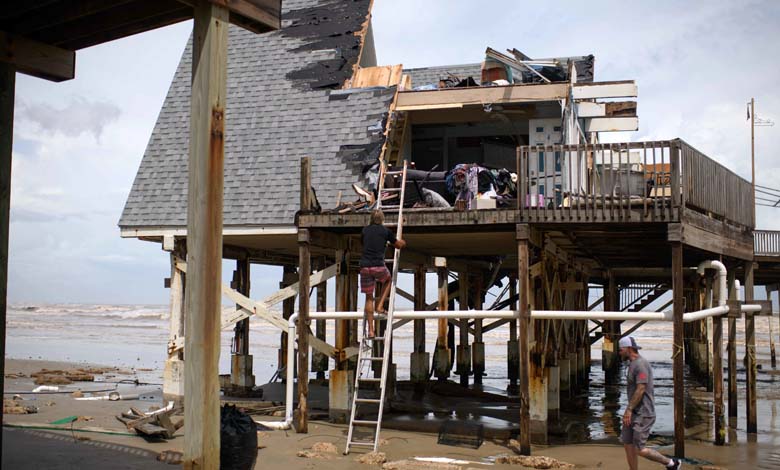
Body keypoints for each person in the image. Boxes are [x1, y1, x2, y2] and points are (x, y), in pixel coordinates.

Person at [619, 336, 681, 470]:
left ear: (629, 349)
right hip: (633, 411)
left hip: (643, 413)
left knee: (639, 449)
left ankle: (671, 463)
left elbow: (641, 388)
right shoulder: (632, 364)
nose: (619, 352)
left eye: (621, 350)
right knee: (627, 444)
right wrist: (629, 410)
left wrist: (629, 409)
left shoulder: (641, 364)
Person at [359, 209, 405, 339]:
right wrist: (403, 242)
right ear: (382, 219)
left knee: (368, 298)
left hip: (365, 266)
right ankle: (380, 306)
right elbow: (398, 245)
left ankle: (371, 331)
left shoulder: (365, 230)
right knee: (389, 280)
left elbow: (363, 243)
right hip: (378, 266)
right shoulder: (385, 231)